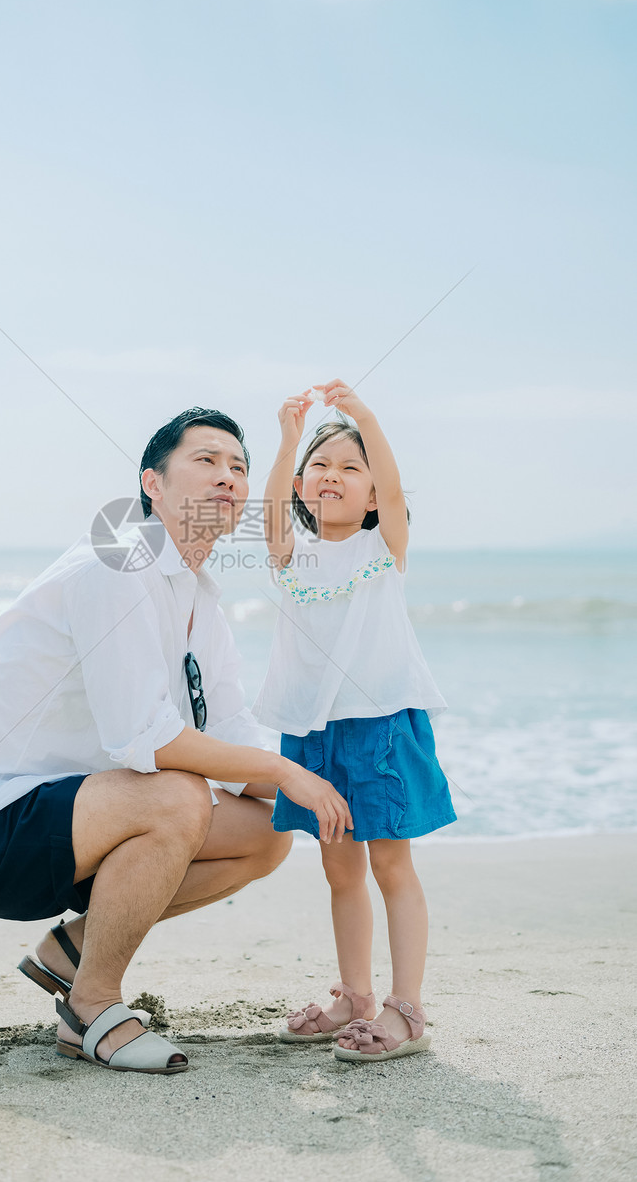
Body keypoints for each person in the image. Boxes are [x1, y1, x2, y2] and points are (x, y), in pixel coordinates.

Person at [0, 408, 352, 1076]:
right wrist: (281, 770)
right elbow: (141, 735)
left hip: (75, 824)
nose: (228, 476)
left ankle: (70, 953)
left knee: (268, 829)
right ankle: (90, 1008)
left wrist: (323, 796)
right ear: (153, 482)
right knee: (177, 794)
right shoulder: (115, 561)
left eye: (238, 466)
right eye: (205, 460)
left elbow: (229, 727)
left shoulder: (198, 593)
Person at [254, 380, 456, 1062]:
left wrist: (364, 417)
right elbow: (275, 511)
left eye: (350, 466)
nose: (332, 476)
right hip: (314, 733)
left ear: (372, 493)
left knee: (391, 864)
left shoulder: (383, 549)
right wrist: (288, 440)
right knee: (340, 870)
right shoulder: (291, 555)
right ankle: (355, 993)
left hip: (382, 725)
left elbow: (395, 493)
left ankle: (406, 1008)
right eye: (321, 465)